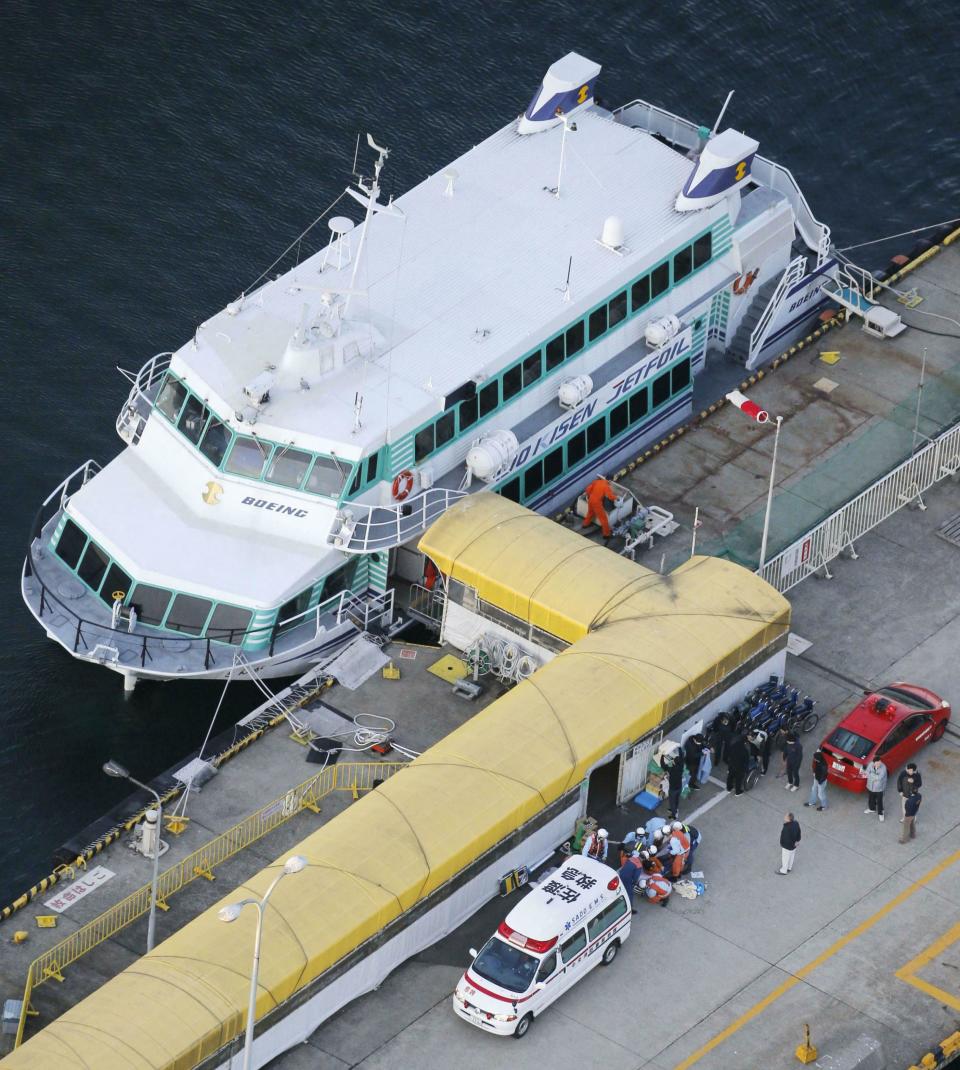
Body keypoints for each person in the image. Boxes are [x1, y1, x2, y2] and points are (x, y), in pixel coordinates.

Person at [726, 731, 749, 795]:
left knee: (730, 777)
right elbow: (746, 761)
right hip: (739, 767)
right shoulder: (745, 751)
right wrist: (746, 769)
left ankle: (729, 788)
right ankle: (737, 792)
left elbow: (729, 754)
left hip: (731, 764)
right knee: (738, 779)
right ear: (745, 742)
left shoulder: (734, 745)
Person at [865, 757, 887, 821]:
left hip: (879, 788)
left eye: (879, 763)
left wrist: (871, 775)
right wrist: (874, 777)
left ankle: (881, 814)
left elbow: (879, 778)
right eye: (877, 763)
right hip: (870, 786)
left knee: (879, 801)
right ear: (873, 763)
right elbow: (866, 772)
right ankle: (872, 809)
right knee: (871, 798)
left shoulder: (883, 768)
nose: (878, 764)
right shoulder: (870, 764)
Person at [666, 750, 685, 818]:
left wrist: (662, 757)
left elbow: (663, 765)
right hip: (679, 787)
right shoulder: (681, 766)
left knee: (672, 802)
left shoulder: (671, 769)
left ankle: (673, 815)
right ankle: (676, 809)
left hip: (673, 789)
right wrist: (680, 748)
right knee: (677, 799)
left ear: (674, 762)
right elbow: (682, 758)